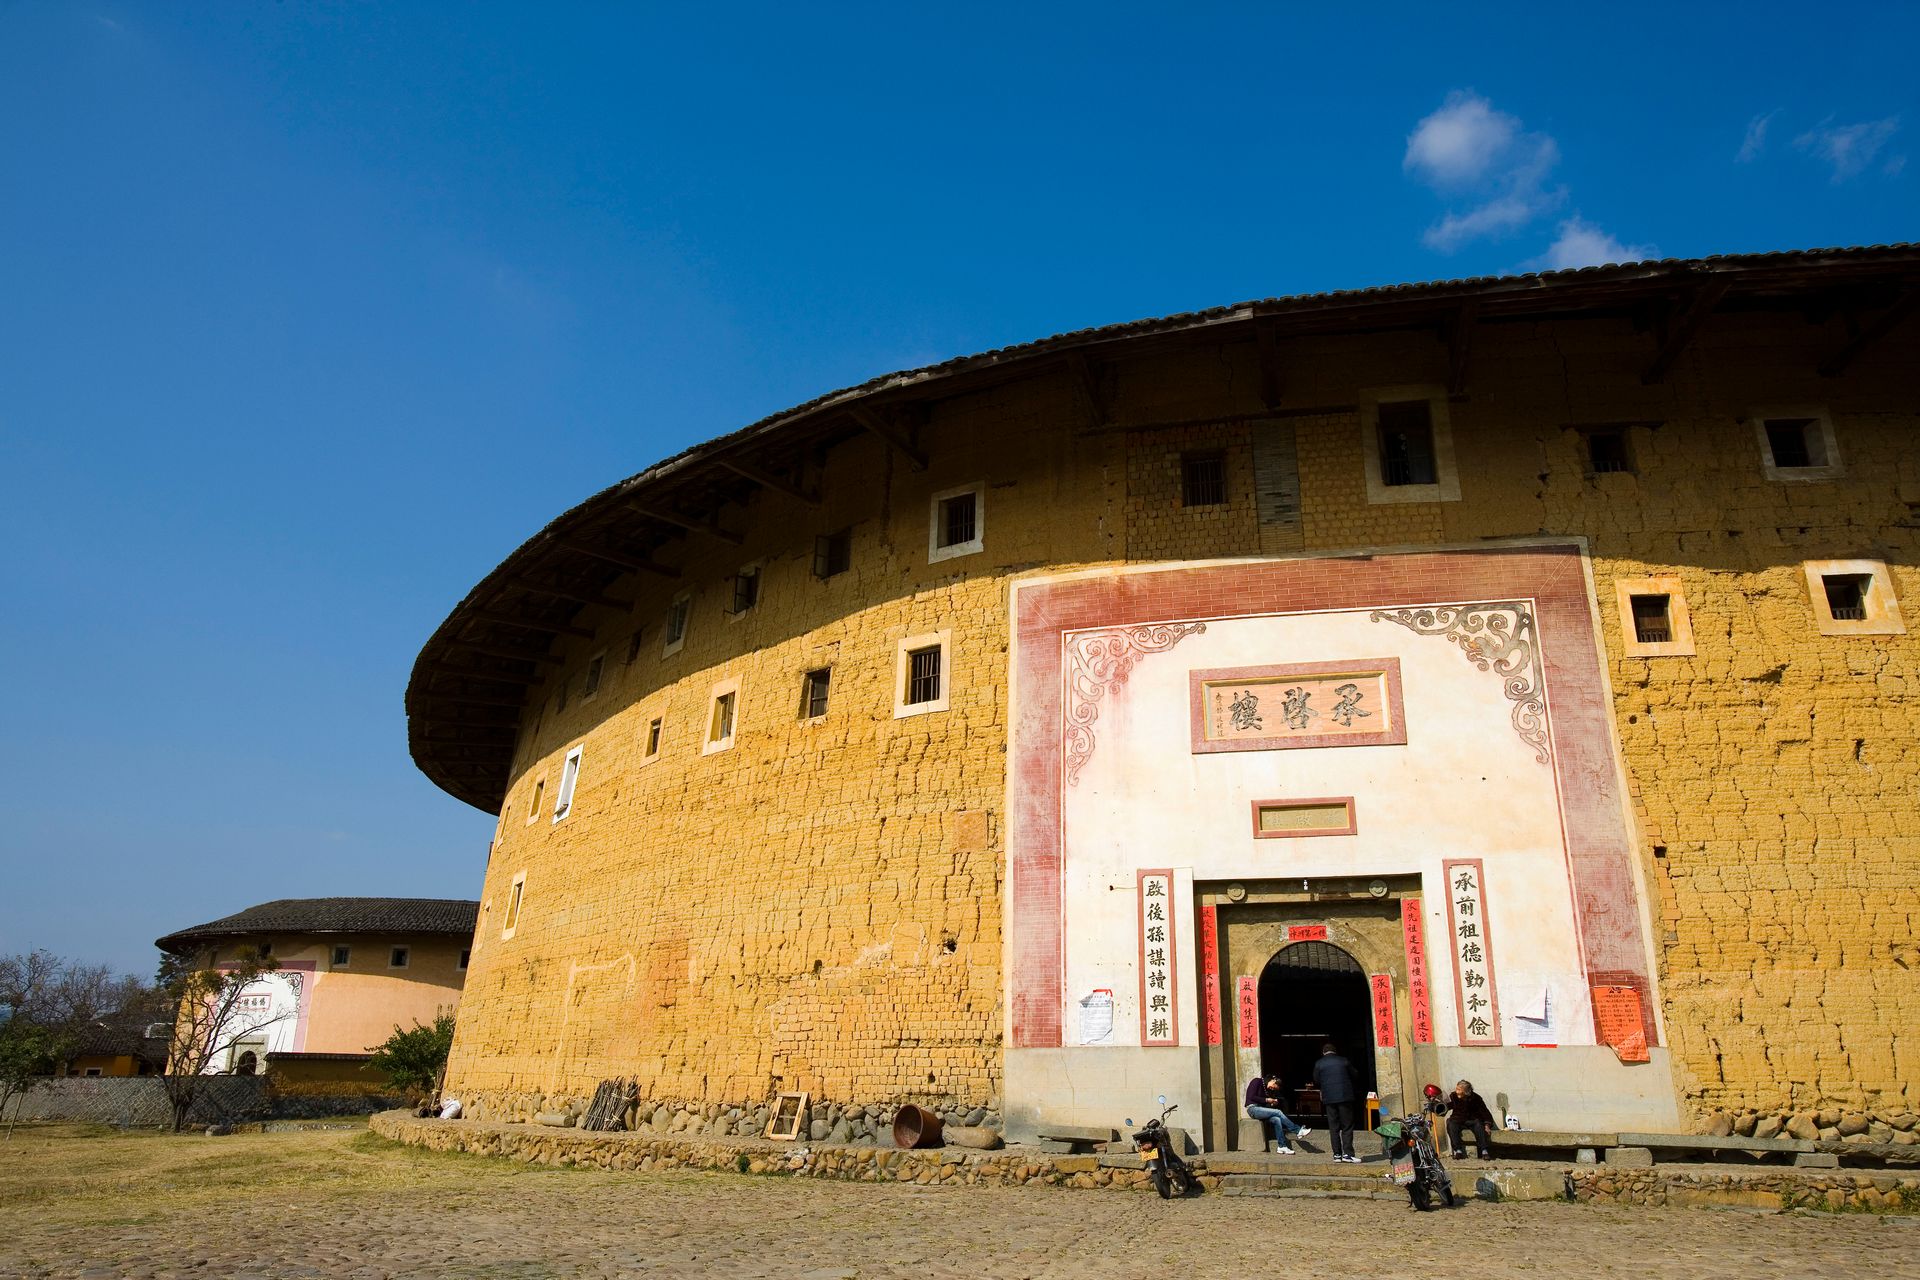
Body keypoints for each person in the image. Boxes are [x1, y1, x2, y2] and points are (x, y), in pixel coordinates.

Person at [1312, 1041, 1361, 1163]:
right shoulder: (1344, 1061)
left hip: (1329, 1098)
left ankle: (1337, 1154)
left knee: (1333, 1127)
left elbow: (1316, 1080)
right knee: (1347, 1126)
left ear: (1323, 1052)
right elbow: (1355, 1075)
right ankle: (1348, 1154)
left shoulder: (1319, 1063)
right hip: (1345, 1097)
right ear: (1335, 1051)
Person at [1243, 1073, 1310, 1154]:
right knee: (1278, 1112)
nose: (1272, 1088)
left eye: (1274, 1088)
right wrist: (1267, 1100)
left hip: (1260, 1110)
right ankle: (1298, 1130)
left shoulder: (1266, 1090)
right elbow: (1251, 1097)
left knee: (1277, 1119)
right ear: (1273, 1080)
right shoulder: (1256, 1081)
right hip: (1252, 1109)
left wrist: (1271, 1103)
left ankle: (1282, 1146)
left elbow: (1263, 1104)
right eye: (1274, 1086)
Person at [1445, 1079, 1497, 1159]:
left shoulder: (1476, 1098)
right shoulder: (1453, 1096)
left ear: (1465, 1091)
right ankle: (1458, 1150)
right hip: (1458, 1119)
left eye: (1459, 1090)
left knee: (1479, 1124)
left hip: (1472, 1120)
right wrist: (1437, 1106)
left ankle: (1484, 1150)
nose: (1457, 1091)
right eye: (1456, 1089)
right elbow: (1447, 1106)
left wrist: (1487, 1125)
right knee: (1451, 1123)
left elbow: (1485, 1112)